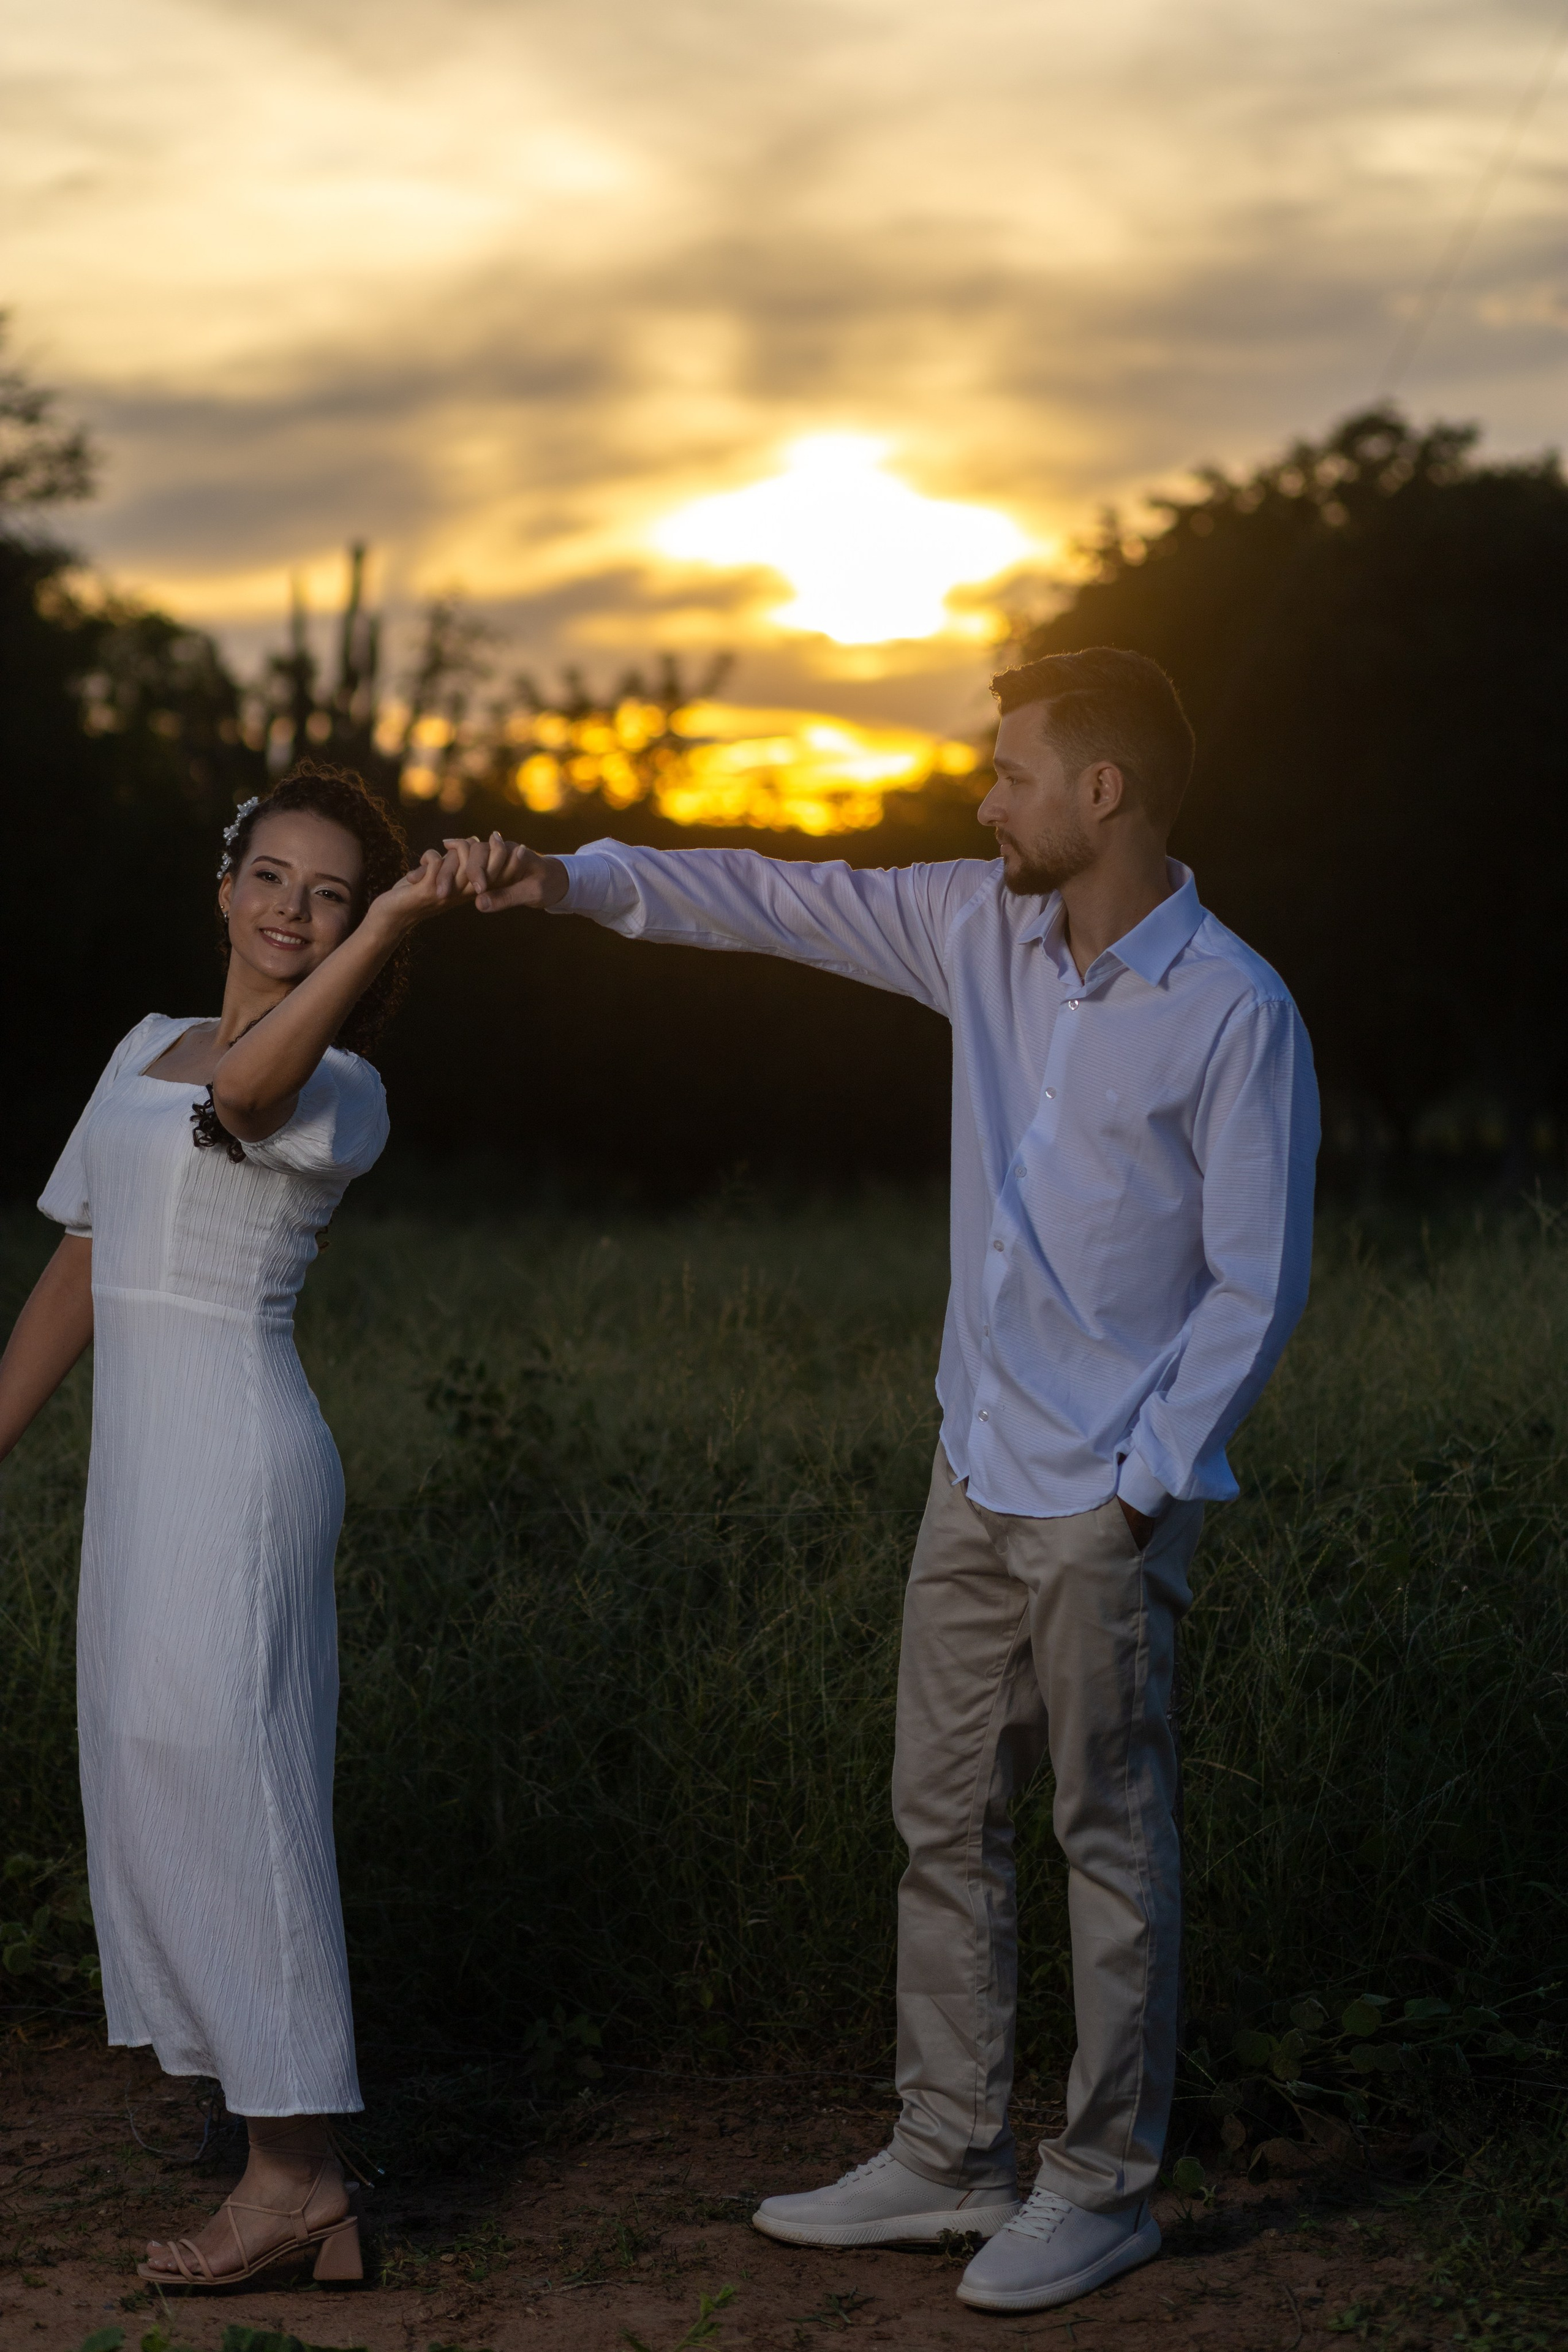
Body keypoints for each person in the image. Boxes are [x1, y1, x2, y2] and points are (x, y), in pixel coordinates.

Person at [447, 646, 1319, 2316]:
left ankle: (1104, 2185)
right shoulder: (973, 932)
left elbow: (1253, 1284)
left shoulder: (1234, 1009)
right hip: (972, 1465)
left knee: (1107, 1837)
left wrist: (1139, 1493)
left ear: (1102, 794)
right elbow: (774, 894)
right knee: (939, 1817)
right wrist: (568, 881)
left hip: (1102, 1499)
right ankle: (948, 2155)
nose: (981, 797)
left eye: (1010, 771)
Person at [0, 763, 467, 2291]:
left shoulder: (337, 1084)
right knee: (146, 1760)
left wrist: (398, 916)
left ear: (362, 935)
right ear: (224, 888)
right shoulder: (143, 1047)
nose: (293, 909)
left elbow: (246, 1094)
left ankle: (295, 2175)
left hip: (243, 1460)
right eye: (274, 878)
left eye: (332, 894)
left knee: (237, 1784)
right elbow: (86, 1251)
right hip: (144, 1462)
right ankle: (275, 2138)